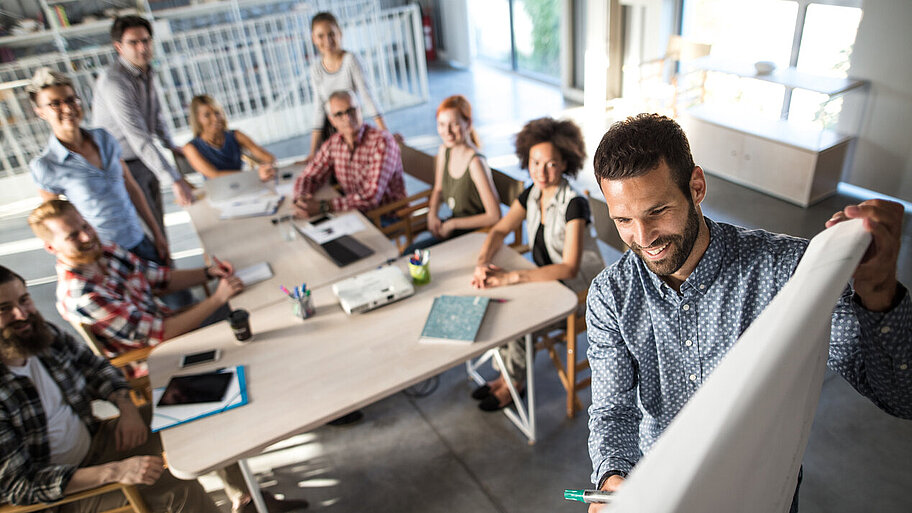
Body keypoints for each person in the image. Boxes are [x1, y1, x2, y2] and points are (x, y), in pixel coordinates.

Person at [585, 113, 911, 512]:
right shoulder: (609, 295)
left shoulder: (787, 271)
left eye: (657, 211)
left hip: (762, 492)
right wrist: (613, 476)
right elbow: (612, 409)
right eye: (623, 220)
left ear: (696, 187)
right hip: (663, 495)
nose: (643, 237)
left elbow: (901, 396)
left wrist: (879, 293)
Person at [0, 265, 221, 512]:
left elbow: (98, 369)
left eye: (24, 300)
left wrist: (127, 408)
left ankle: (244, 498)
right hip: (67, 494)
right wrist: (116, 471)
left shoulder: (42, 336)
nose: (21, 314)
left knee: (200, 398)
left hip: (99, 439)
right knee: (175, 488)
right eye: (4, 309)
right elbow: (20, 485)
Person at [471, 117, 605, 411]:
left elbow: (569, 268)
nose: (541, 172)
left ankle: (513, 383)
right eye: (535, 163)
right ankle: (507, 374)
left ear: (565, 163)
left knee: (519, 316)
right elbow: (499, 230)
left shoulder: (574, 204)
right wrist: (482, 262)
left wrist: (512, 277)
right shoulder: (531, 193)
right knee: (500, 302)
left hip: (578, 292)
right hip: (548, 280)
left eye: (551, 164)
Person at [27, 199, 242, 359]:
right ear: (51, 247)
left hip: (172, 325)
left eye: (85, 226)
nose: (87, 237)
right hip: (160, 356)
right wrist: (217, 299)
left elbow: (158, 279)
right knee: (246, 316)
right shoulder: (83, 296)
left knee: (248, 302)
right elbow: (160, 334)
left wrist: (208, 273)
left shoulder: (107, 251)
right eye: (72, 236)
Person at [27, 68, 170, 267]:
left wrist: (157, 233)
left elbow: (130, 186)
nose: (67, 109)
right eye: (55, 104)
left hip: (139, 238)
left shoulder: (104, 138)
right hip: (103, 254)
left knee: (176, 295)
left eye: (71, 100)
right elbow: (55, 226)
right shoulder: (46, 165)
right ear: (40, 112)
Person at [92, 15, 196, 235]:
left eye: (146, 40)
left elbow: (155, 114)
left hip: (143, 158)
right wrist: (174, 180)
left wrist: (170, 144)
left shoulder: (146, 71)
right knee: (146, 228)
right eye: (134, 42)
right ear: (119, 47)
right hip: (122, 164)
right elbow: (136, 134)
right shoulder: (114, 81)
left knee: (157, 221)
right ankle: (160, 267)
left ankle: (167, 267)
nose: (142, 48)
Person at [405, 95, 501, 252]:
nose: (447, 131)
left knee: (412, 255)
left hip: (475, 235)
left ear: (468, 124)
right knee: (410, 255)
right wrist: (432, 213)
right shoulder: (444, 150)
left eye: (454, 124)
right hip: (454, 230)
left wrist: (453, 224)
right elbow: (438, 189)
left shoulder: (476, 163)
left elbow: (494, 215)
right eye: (441, 124)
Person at [292, 90, 406, 218]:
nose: (347, 118)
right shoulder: (333, 143)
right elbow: (309, 176)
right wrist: (301, 198)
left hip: (385, 215)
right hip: (354, 212)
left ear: (360, 110)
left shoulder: (382, 142)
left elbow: (372, 197)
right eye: (339, 114)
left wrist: (323, 206)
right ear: (332, 120)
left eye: (351, 110)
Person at [304, 11, 390, 164]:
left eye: (331, 34)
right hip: (330, 132)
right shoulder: (315, 69)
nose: (327, 40)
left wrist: (386, 135)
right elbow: (319, 108)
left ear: (340, 33)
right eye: (321, 36)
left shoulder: (351, 60)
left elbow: (367, 96)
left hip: (352, 127)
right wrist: (312, 153)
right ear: (313, 39)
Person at [182, 94, 277, 181]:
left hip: (245, 185)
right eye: (207, 115)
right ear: (197, 120)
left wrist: (266, 167)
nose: (215, 119)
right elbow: (215, 175)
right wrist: (255, 175)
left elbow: (268, 158)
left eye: (217, 113)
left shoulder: (236, 135)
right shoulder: (190, 148)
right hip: (219, 194)